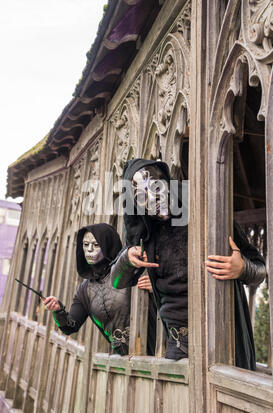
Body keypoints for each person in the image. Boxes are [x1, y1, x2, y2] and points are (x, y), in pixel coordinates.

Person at [111, 158, 266, 369]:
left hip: (225, 343)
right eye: (140, 196)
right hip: (179, 349)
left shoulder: (209, 213)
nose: (152, 197)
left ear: (166, 181)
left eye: (155, 185)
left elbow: (260, 269)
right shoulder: (145, 235)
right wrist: (127, 258)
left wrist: (242, 268)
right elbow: (117, 280)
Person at [43, 223, 132, 355]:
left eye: (96, 245)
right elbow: (70, 326)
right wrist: (57, 310)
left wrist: (154, 287)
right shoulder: (84, 290)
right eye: (85, 245)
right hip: (122, 360)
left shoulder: (130, 271)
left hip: (153, 352)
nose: (89, 250)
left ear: (108, 245)